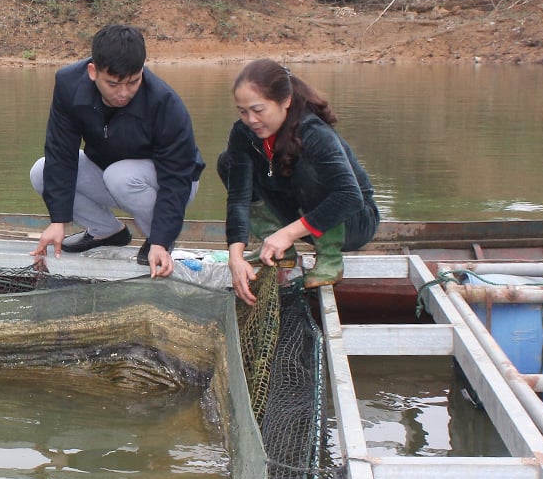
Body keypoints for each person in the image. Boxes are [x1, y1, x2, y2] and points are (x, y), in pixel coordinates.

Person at [29, 24, 205, 278]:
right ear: (93, 71)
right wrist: (58, 221)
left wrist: (160, 240)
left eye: (133, 82)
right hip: (111, 172)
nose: (123, 93)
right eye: (113, 84)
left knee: (119, 176)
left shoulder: (164, 103)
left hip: (173, 182)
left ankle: (158, 241)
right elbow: (61, 152)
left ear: (142, 71)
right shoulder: (68, 84)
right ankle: (107, 232)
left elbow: (176, 178)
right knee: (42, 171)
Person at [218, 58, 380, 305]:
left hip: (353, 221)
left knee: (305, 165)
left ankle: (329, 257)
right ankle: (278, 249)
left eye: (258, 110)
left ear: (285, 101)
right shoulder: (243, 133)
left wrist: (289, 233)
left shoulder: (313, 133)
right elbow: (239, 197)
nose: (250, 120)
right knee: (227, 162)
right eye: (243, 111)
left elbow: (350, 197)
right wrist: (235, 257)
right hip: (302, 220)